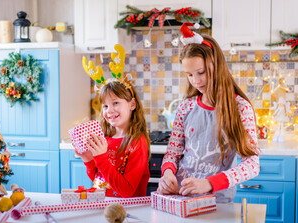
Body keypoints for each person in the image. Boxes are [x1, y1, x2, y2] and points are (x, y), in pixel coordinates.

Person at [158, 23, 260, 203]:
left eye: (201, 72)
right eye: (189, 75)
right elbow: (172, 153)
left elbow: (252, 165)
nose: (195, 81)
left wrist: (209, 183)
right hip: (181, 197)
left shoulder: (240, 108)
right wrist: (167, 173)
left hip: (217, 201)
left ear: (216, 66)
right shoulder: (185, 107)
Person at [77, 44, 150, 198]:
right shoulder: (106, 139)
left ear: (132, 104)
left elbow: (127, 191)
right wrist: (89, 160)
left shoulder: (137, 142)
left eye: (116, 103)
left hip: (128, 212)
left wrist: (101, 157)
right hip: (103, 205)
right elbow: (100, 181)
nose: (109, 111)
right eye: (105, 106)